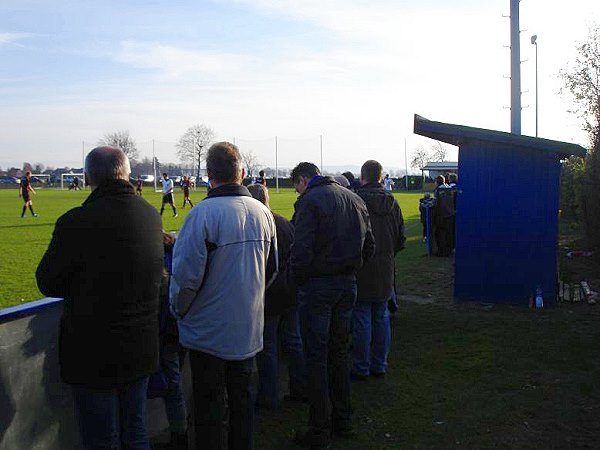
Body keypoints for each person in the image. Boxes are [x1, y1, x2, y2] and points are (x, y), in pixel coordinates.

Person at [36, 146, 164, 449]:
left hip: (94, 354)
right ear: (127, 173)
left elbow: (47, 282)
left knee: (101, 439)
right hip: (142, 347)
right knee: (136, 431)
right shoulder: (149, 216)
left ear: (90, 177)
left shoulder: (76, 222)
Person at [169, 142, 278, 450]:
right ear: (241, 173)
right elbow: (272, 270)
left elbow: (185, 281)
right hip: (247, 329)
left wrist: (179, 312)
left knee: (209, 410)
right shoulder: (263, 213)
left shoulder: (201, 215)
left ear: (208, 175)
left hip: (207, 335)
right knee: (242, 404)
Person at [289, 162, 375, 449]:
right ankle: (343, 419)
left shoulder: (310, 202)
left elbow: (299, 252)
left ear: (303, 180)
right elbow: (370, 245)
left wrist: (296, 280)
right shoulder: (354, 198)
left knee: (316, 357)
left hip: (318, 287)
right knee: (338, 354)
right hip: (347, 283)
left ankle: (319, 428)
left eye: (296, 185)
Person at [247, 183, 306, 411]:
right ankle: (300, 387)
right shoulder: (284, 223)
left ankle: (268, 396)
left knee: (268, 347)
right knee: (294, 341)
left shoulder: (256, 225)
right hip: (290, 292)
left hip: (270, 296)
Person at [352, 160, 405, 380]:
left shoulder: (356, 202)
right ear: (381, 177)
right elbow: (401, 238)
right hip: (385, 267)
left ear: (362, 177)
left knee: (362, 316)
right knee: (381, 316)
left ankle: (362, 366)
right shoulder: (393, 204)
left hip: (362, 267)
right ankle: (379, 364)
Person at [152, 232, 188, 450]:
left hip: (164, 331)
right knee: (174, 384)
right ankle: (180, 435)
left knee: (171, 383)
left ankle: (179, 437)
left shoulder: (157, 261)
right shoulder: (177, 252)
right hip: (178, 327)